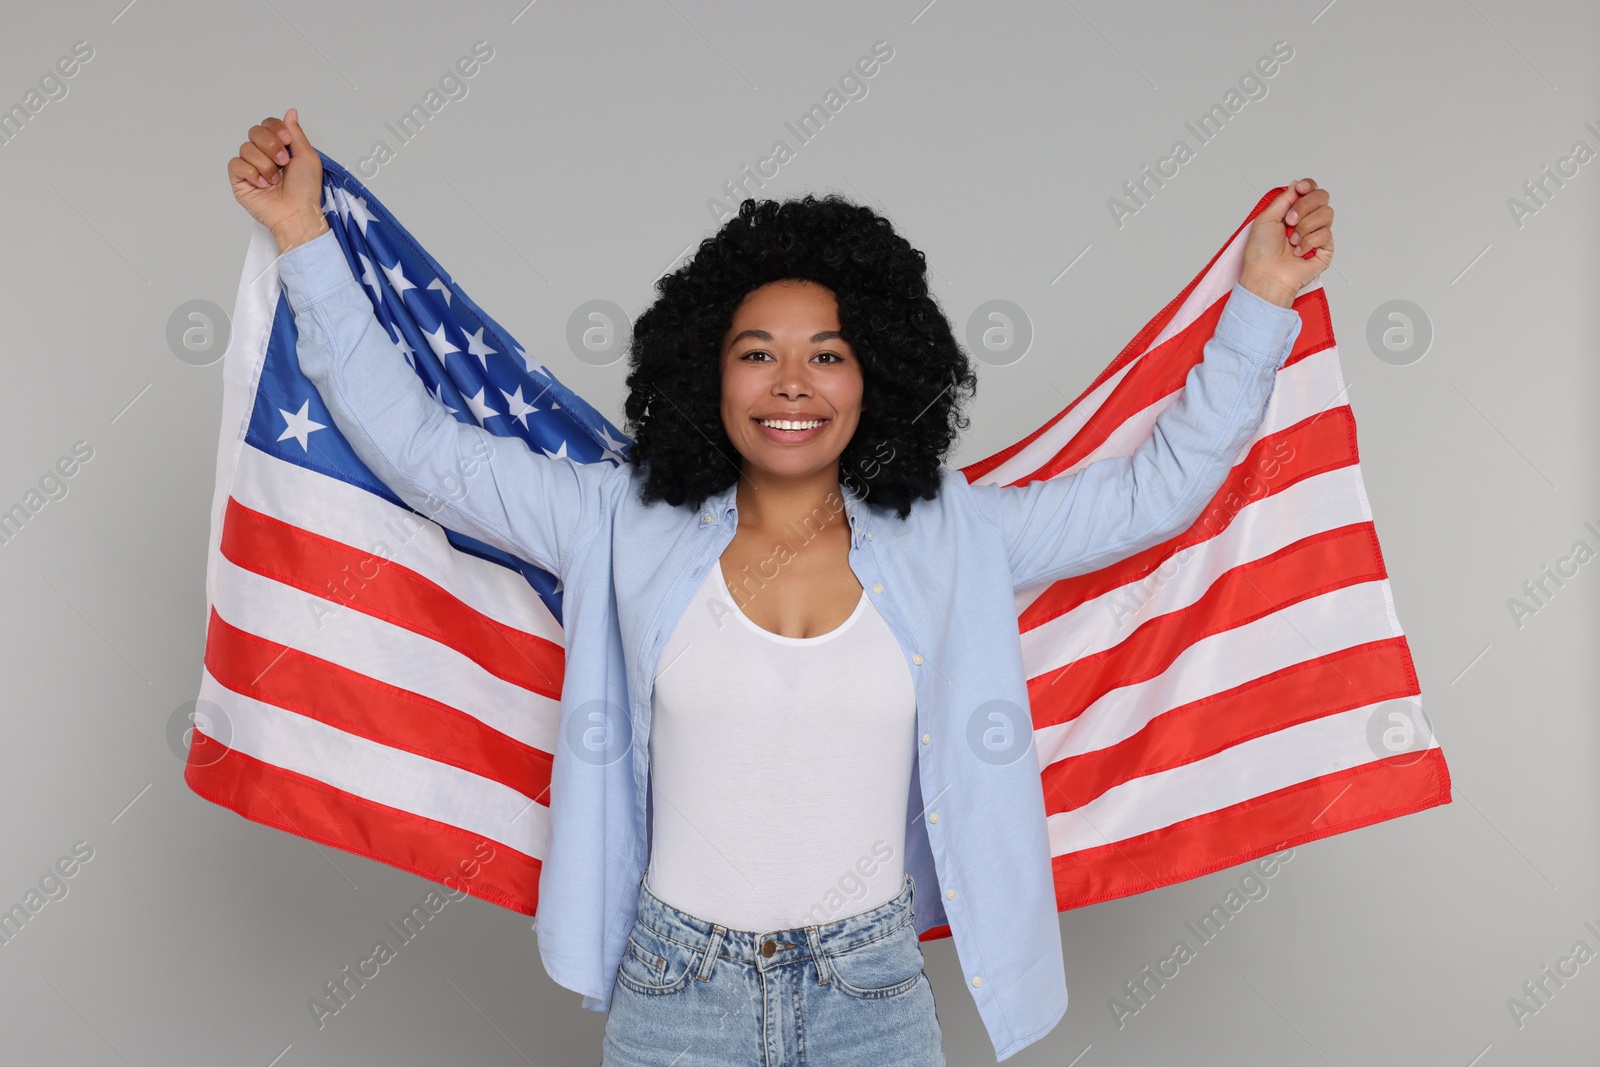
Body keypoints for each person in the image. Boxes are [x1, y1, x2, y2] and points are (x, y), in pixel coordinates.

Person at [228, 108, 1333, 1065]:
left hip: (872, 990)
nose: (791, 383)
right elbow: (417, 447)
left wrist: (1262, 301)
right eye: (757, 352)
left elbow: (1156, 493)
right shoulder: (615, 519)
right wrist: (303, 238)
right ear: (705, 370)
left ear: (879, 373)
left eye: (829, 353)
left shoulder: (956, 534)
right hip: (674, 987)